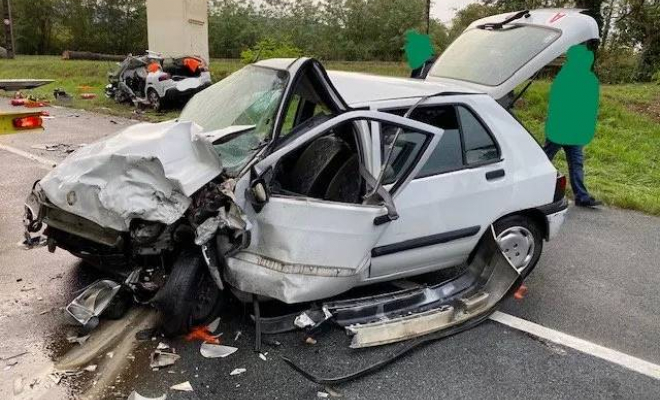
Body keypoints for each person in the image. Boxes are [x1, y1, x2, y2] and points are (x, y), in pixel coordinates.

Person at [544, 44, 601, 208]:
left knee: (576, 163)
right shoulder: (565, 78)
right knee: (544, 159)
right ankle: (529, 187)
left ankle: (581, 198)